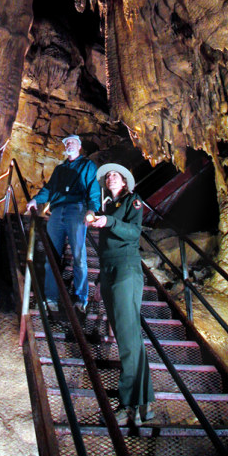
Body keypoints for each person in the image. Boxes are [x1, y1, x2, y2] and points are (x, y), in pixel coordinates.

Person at [87, 163, 155, 427]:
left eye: (116, 174)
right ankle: (145, 401)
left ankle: (129, 403)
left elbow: (134, 232)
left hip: (127, 268)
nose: (111, 177)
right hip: (109, 269)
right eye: (108, 176)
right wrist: (99, 277)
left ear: (125, 182)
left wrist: (110, 221)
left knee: (127, 338)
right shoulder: (108, 207)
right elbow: (105, 245)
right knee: (129, 337)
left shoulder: (132, 202)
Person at [26, 135, 101, 314]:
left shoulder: (87, 166)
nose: (68, 144)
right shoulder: (60, 169)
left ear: (79, 146)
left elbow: (93, 188)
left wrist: (92, 209)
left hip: (77, 209)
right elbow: (50, 188)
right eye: (67, 143)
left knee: (78, 255)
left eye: (72, 142)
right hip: (58, 210)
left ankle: (80, 297)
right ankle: (51, 297)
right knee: (51, 255)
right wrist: (36, 200)